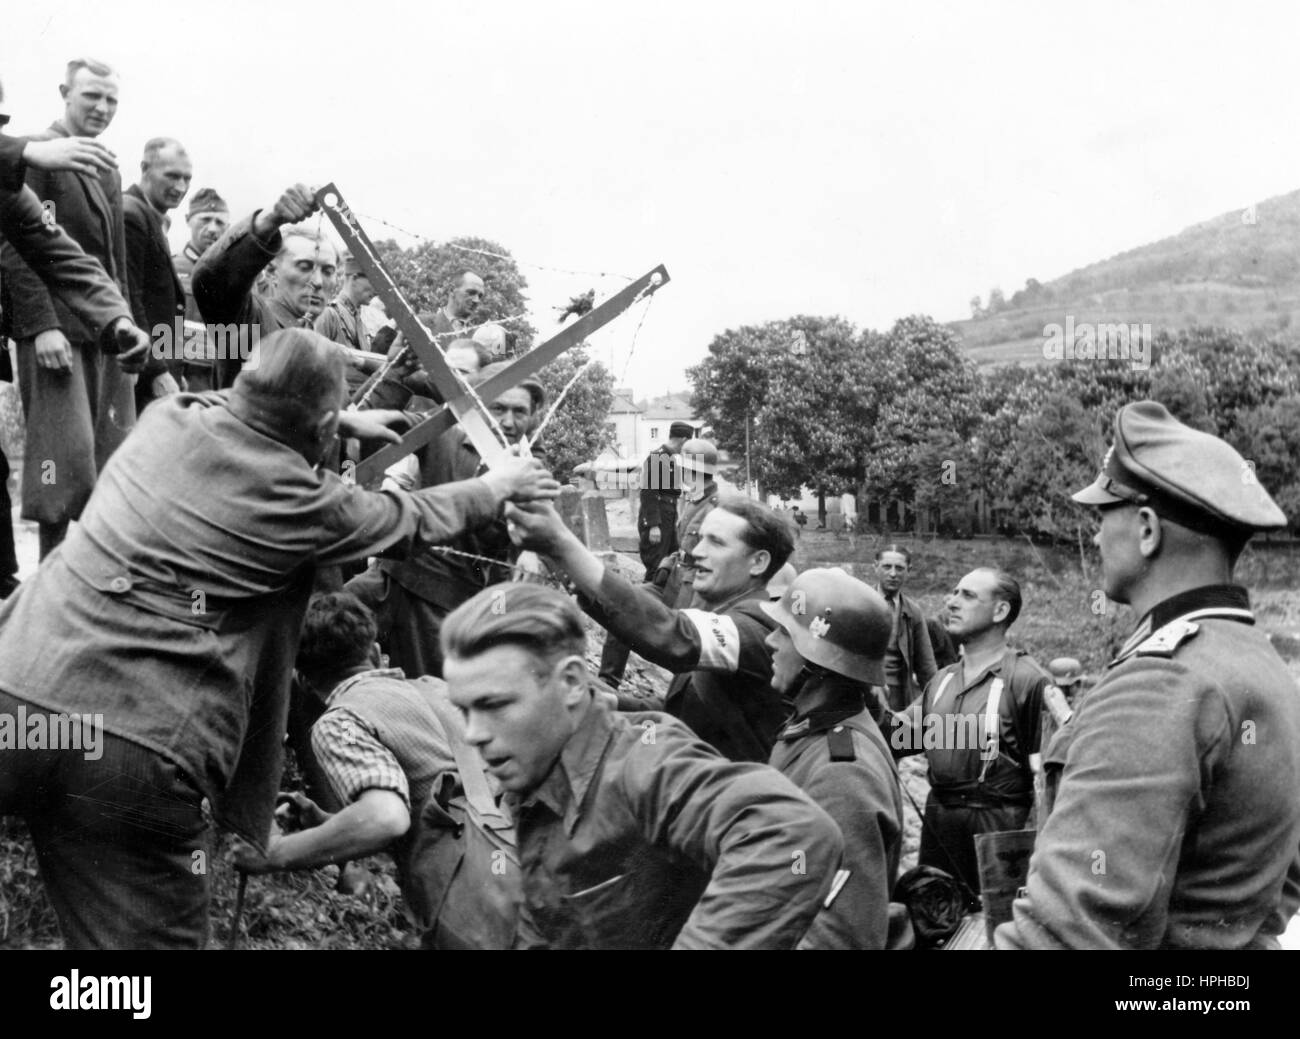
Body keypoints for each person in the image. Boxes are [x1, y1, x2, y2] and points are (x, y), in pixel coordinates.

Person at [0, 327, 559, 949]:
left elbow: (240, 402)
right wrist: (499, 485)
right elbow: (416, 518)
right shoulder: (307, 503)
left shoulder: (168, 418)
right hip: (136, 749)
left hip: (16, 694)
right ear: (319, 426)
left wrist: (339, 416)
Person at [997, 401, 1300, 950]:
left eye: (1102, 518)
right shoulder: (1265, 665)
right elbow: (1285, 880)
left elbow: (1067, 933)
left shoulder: (1159, 684)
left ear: (1145, 530)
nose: (1094, 539)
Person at [441, 582, 844, 949]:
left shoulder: (642, 761)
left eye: (494, 705)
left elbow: (792, 833)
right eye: (464, 710)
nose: (474, 733)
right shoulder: (529, 776)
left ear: (570, 683)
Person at [0, 83, 152, 598]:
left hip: (91, 333)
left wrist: (118, 321)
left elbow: (56, 250)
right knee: (56, 463)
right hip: (54, 332)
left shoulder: (20, 183)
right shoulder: (36, 154)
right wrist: (42, 323)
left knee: (95, 459)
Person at [507, 494, 794, 763]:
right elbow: (681, 711)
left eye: (716, 542)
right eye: (700, 538)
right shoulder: (725, 613)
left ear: (758, 562)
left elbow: (670, 635)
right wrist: (606, 700)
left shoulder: (760, 625)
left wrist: (561, 543)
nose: (696, 552)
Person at [231, 592, 458, 901]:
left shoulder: (342, 723)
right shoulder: (439, 691)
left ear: (303, 682)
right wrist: (327, 822)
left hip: (467, 895)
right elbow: (428, 798)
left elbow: (386, 818)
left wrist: (274, 853)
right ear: (376, 654)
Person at [345, 361, 548, 679]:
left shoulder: (529, 470)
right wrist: (347, 419)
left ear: (534, 415)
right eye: (497, 408)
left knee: (430, 692)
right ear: (478, 405)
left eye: (519, 412)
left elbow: (542, 527)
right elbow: (402, 422)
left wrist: (531, 551)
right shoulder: (446, 434)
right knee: (318, 631)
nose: (507, 421)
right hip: (389, 578)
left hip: (441, 603)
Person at [762, 568, 904, 949]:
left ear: (818, 659)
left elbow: (839, 935)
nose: (770, 640)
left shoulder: (842, 773)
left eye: (785, 633)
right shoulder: (810, 734)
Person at [892, 567, 1049, 900]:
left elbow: (1049, 780)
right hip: (940, 823)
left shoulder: (1027, 680)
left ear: (1000, 611)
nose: (951, 602)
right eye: (953, 593)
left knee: (995, 927)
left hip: (998, 828)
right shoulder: (942, 680)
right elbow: (898, 737)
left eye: (968, 595)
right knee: (935, 919)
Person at [192, 182, 342, 387]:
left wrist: (396, 372)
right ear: (271, 271)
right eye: (305, 267)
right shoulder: (251, 319)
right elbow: (211, 279)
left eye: (328, 271)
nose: (317, 282)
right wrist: (270, 219)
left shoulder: (314, 334)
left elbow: (338, 412)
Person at [596, 420, 691, 688]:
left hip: (668, 516)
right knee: (654, 573)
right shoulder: (659, 458)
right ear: (683, 440)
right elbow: (649, 491)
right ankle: (641, 618)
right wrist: (655, 525)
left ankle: (653, 618)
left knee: (666, 573)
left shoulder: (670, 458)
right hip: (658, 518)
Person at [122, 136, 188, 412]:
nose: (180, 187)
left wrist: (173, 368)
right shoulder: (131, 214)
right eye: (172, 176)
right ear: (145, 168)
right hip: (140, 373)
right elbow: (129, 296)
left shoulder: (149, 216)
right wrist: (157, 371)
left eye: (186, 178)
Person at [368, 271, 486, 410]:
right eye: (471, 292)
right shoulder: (420, 323)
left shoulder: (477, 339)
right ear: (451, 291)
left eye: (480, 296)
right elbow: (382, 357)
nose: (476, 300)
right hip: (412, 413)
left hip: (452, 419)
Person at [171, 186, 229, 392]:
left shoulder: (236, 276)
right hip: (180, 382)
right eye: (205, 219)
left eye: (220, 222)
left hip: (222, 387)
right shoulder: (170, 268)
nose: (213, 229)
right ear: (188, 219)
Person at [874, 544, 939, 710]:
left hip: (899, 695)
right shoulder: (861, 604)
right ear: (876, 567)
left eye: (900, 568)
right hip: (865, 691)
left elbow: (927, 666)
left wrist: (937, 700)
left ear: (908, 571)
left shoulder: (913, 612)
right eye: (887, 567)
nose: (893, 574)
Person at [657, 437, 720, 609]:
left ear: (692, 471)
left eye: (682, 468)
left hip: (695, 584)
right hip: (679, 575)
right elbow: (684, 544)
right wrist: (668, 564)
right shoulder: (694, 498)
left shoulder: (714, 507)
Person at [314, 253, 375, 394]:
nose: (376, 290)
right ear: (354, 278)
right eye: (372, 281)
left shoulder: (362, 322)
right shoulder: (329, 314)